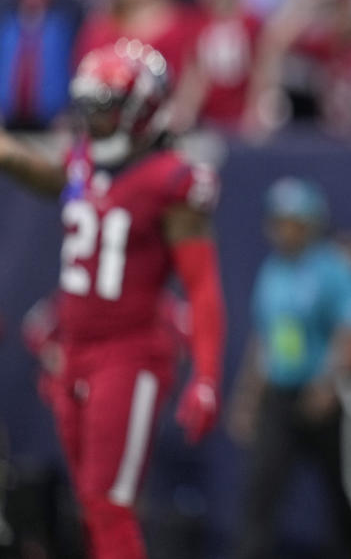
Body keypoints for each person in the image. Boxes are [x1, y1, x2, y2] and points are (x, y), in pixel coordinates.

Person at [0, 39, 226, 559]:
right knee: (90, 502)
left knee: (108, 504)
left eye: (104, 108)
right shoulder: (85, 162)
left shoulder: (172, 180)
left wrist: (208, 375)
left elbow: (203, 286)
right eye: (90, 106)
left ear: (138, 111)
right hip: (75, 354)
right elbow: (52, 176)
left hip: (129, 354)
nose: (92, 120)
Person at [228, 176, 351, 559]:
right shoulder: (272, 270)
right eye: (278, 220)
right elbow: (263, 337)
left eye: (293, 221)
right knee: (261, 488)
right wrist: (248, 396)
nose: (283, 230)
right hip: (280, 394)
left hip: (329, 398)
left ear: (311, 224)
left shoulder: (336, 267)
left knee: (347, 492)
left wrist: (328, 382)